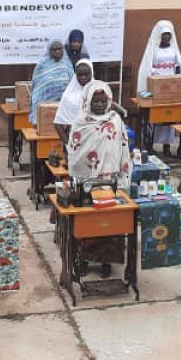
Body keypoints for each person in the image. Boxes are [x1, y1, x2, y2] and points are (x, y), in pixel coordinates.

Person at [67, 80, 132, 277]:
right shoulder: (80, 123)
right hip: (88, 182)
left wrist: (120, 175)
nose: (100, 105)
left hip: (110, 180)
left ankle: (107, 261)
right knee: (87, 221)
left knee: (110, 222)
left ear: (109, 101)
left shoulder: (115, 120)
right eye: (95, 101)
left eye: (104, 101)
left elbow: (122, 148)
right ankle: (83, 259)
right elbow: (75, 153)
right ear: (88, 100)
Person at [137, 19, 181, 157]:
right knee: (154, 116)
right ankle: (150, 144)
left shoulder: (174, 49)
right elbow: (148, 68)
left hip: (171, 87)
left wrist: (177, 82)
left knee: (170, 116)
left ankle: (167, 145)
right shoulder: (153, 50)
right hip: (156, 86)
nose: (166, 37)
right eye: (164, 34)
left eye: (169, 34)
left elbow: (178, 67)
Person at [31, 40, 75, 127]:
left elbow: (72, 84)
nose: (57, 51)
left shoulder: (67, 63)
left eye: (59, 49)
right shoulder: (42, 64)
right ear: (49, 50)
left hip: (63, 103)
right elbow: (37, 86)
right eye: (54, 49)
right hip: (45, 104)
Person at [55, 59, 95, 146]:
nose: (83, 77)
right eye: (80, 75)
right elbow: (58, 123)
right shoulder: (68, 96)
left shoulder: (97, 93)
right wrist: (68, 145)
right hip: (74, 141)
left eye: (86, 74)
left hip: (94, 141)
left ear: (92, 73)